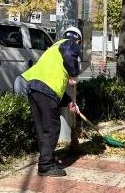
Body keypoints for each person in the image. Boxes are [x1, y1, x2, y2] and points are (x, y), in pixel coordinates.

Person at [21, 26, 83, 177]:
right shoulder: (69, 44)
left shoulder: (53, 47)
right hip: (46, 89)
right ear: (78, 40)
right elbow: (69, 55)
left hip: (33, 86)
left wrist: (69, 102)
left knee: (42, 127)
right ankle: (45, 166)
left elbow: (52, 77)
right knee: (53, 127)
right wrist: (73, 74)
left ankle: (46, 159)